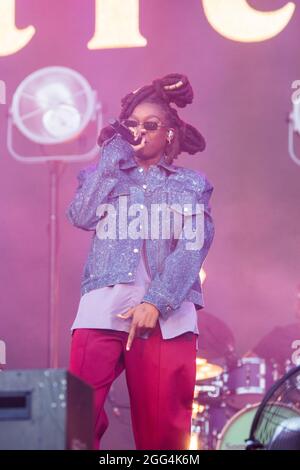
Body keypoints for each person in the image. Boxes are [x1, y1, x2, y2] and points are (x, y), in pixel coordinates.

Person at [66, 73, 215, 450]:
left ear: (169, 134)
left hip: (166, 318)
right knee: (74, 422)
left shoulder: (190, 183)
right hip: (102, 308)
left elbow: (193, 245)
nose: (140, 131)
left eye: (151, 125)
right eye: (132, 124)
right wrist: (111, 157)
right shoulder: (102, 175)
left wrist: (157, 300)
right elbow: (81, 216)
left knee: (163, 434)